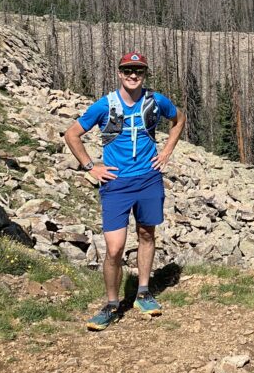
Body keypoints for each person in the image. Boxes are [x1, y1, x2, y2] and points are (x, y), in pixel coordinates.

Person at [63, 51, 186, 331]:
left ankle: (143, 291)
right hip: (116, 183)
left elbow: (179, 119)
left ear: (144, 74)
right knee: (115, 248)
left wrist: (166, 151)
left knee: (146, 233)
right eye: (128, 70)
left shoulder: (155, 101)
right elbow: (72, 134)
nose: (133, 75)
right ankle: (111, 303)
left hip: (148, 179)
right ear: (119, 73)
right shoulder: (105, 105)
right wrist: (90, 166)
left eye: (139, 71)